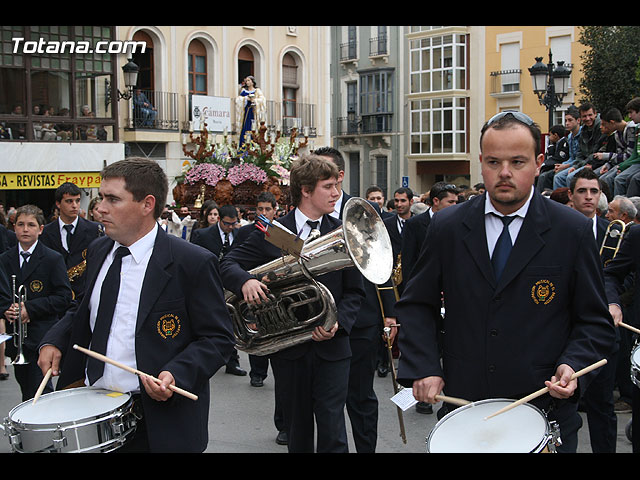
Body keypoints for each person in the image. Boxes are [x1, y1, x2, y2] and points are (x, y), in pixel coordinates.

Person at [396, 111, 616, 453]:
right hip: (465, 411)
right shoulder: (447, 227)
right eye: (494, 162)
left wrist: (573, 365)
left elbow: (594, 320)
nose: (505, 173)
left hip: (544, 413)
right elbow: (416, 304)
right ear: (481, 162)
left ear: (539, 162)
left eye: (518, 161)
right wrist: (423, 365)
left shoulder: (571, 231)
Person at [37, 157, 236, 453]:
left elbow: (218, 339)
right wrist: (54, 340)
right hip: (93, 411)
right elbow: (82, 310)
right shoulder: (98, 249)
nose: (100, 208)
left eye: (113, 199)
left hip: (157, 422)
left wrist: (176, 373)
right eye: (101, 197)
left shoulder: (191, 262)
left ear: (147, 204)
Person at [219, 154, 365, 453]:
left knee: (333, 428)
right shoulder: (273, 232)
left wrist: (338, 323)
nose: (337, 193)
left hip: (333, 348)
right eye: (329, 186)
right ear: (306, 191)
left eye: (337, 185)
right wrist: (245, 281)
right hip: (289, 351)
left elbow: (355, 293)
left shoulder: (343, 232)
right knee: (297, 431)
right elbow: (227, 264)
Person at [566, 168, 618, 452]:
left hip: (604, 332)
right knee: (565, 411)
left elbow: (621, 276)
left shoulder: (614, 233)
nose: (588, 197)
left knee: (602, 407)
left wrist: (616, 303)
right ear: (571, 196)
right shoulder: (559, 231)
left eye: (594, 191)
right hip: (565, 333)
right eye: (582, 191)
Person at [0, 205, 72, 401]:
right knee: (26, 390)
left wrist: (29, 309)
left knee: (41, 390)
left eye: (31, 225)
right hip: (17, 339)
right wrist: (6, 309)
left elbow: (64, 297)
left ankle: (44, 429)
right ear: (13, 227)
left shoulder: (52, 258)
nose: (25, 229)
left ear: (40, 229)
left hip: (42, 335)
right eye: (21, 224)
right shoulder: (4, 259)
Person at [190, 204, 246, 377]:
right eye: (227, 224)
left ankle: (232, 361)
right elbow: (191, 258)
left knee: (231, 322)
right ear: (219, 220)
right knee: (206, 322)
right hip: (208, 284)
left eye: (234, 224)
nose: (230, 227)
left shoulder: (239, 234)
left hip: (230, 285)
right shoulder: (202, 234)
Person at [40, 182, 103, 299]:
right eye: (69, 201)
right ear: (58, 204)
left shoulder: (95, 230)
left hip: (85, 295)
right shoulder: (46, 232)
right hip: (55, 297)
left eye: (78, 201)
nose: (75, 205)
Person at [554, 103, 607, 190]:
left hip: (595, 163)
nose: (587, 118)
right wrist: (575, 166)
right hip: (585, 162)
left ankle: (574, 201)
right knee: (558, 176)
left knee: (571, 177)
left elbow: (595, 152)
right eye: (584, 116)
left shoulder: (600, 128)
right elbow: (579, 153)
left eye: (590, 115)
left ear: (595, 114)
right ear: (581, 117)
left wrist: (577, 166)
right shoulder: (584, 130)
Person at [313, 146, 352, 220]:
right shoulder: (307, 209)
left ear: (340, 176)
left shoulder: (360, 209)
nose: (317, 175)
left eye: (325, 170)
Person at [536, 124, 569, 193]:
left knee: (544, 176)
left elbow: (559, 158)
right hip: (553, 165)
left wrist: (544, 164)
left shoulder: (564, 143)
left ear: (555, 135)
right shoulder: (553, 145)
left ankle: (543, 194)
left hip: (560, 165)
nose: (549, 137)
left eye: (550, 135)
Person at [235, 76, 266, 147]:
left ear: (252, 82)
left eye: (249, 80)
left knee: (254, 128)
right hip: (246, 113)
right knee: (245, 128)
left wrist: (254, 101)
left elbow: (262, 100)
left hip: (254, 113)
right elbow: (238, 100)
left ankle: (254, 146)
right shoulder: (243, 91)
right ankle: (243, 149)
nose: (247, 82)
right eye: (246, 81)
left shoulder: (257, 91)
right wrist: (246, 99)